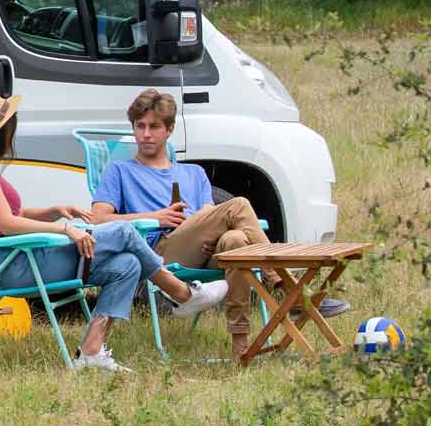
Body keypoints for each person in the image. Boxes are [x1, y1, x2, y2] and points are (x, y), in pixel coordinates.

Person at [0, 90, 225, 373]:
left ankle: (92, 352)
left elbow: (10, 215)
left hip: (20, 257)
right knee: (123, 232)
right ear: (2, 132)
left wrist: (53, 210)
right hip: (15, 264)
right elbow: (6, 225)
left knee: (127, 265)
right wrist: (65, 228)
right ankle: (181, 293)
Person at [88, 89, 349, 360]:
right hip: (161, 253)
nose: (145, 134)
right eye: (139, 126)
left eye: (154, 127)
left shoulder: (194, 173)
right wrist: (157, 217)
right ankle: (289, 290)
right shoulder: (120, 171)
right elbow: (98, 218)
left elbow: (209, 214)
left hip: (204, 247)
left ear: (169, 129)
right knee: (239, 205)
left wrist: (205, 230)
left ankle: (241, 347)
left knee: (235, 241)